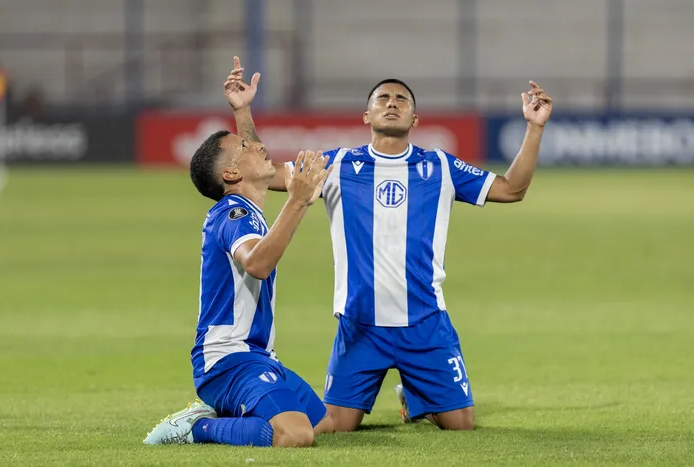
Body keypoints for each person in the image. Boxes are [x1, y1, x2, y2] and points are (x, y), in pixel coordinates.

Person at [223, 57, 553, 432]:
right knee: (335, 426)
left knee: (461, 425)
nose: (392, 103)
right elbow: (262, 172)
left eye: (401, 99)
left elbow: (512, 189)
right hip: (361, 326)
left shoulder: (440, 167)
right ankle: (409, 393)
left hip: (425, 323)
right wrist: (243, 110)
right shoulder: (338, 165)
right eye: (383, 98)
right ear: (367, 116)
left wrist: (534, 127)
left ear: (415, 120)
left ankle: (413, 399)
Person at [143, 68, 335, 446]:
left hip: (258, 356)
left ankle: (229, 411)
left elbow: (256, 159)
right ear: (230, 173)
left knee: (323, 424)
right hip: (228, 359)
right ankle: (196, 427)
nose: (260, 146)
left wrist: (242, 112)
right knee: (294, 435)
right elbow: (258, 264)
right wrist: (297, 202)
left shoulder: (249, 206)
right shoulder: (233, 213)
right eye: (245, 147)